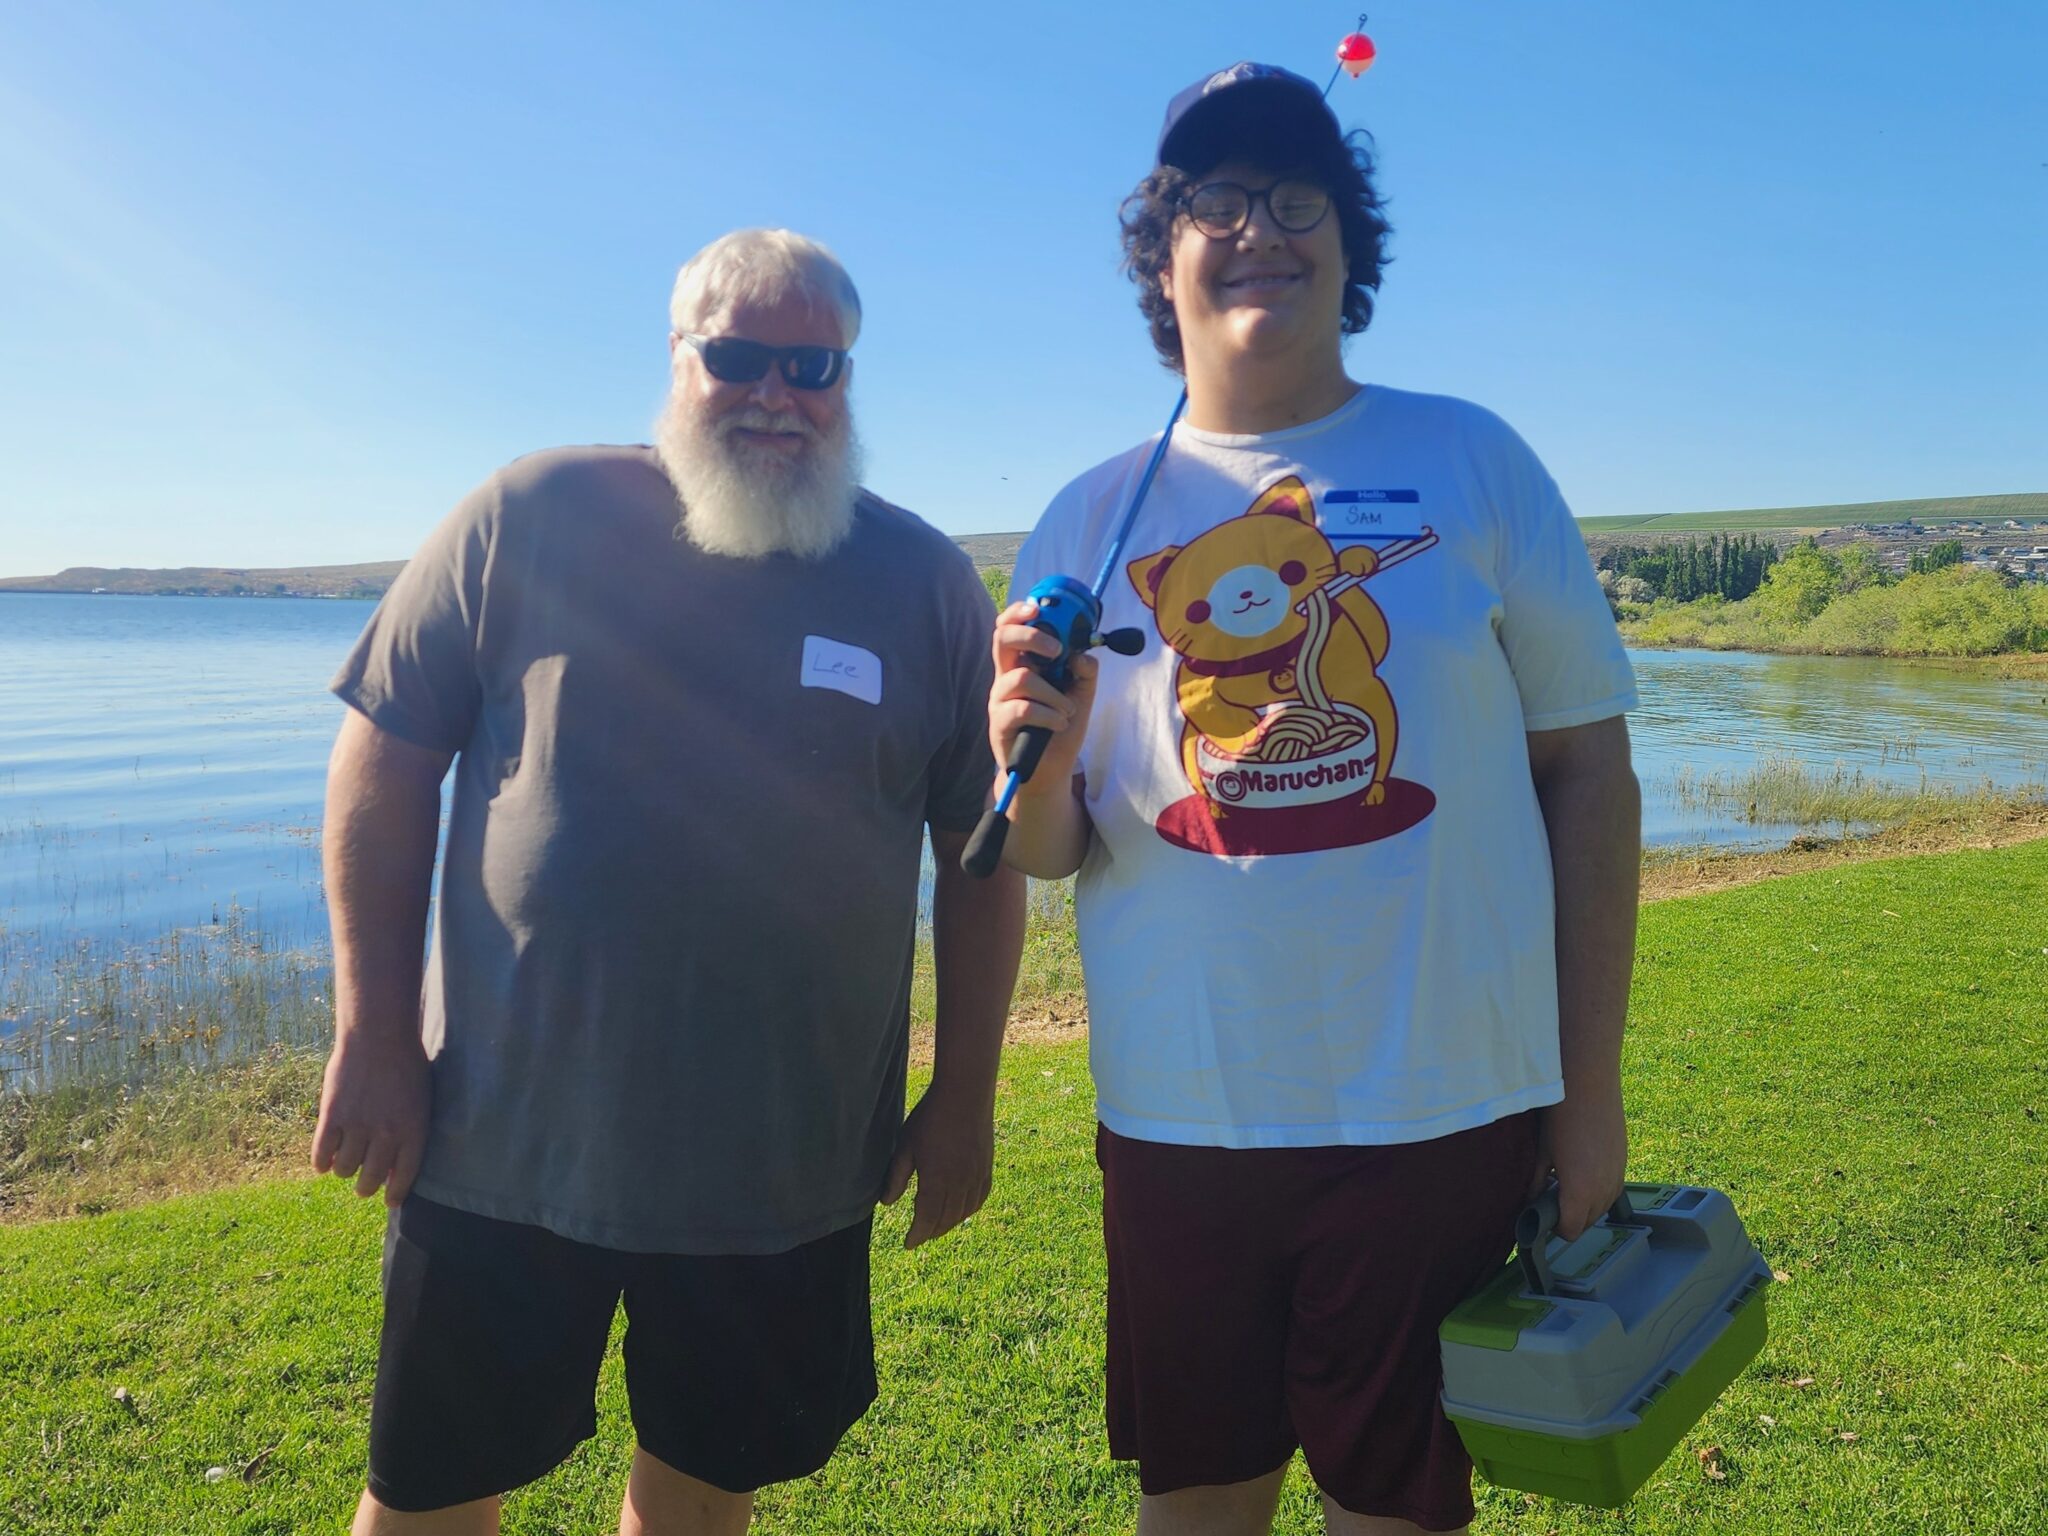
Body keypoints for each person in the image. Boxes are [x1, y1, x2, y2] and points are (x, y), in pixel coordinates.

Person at [988, 65, 1641, 1536]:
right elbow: (1047, 848)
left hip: (1446, 1106)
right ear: (1162, 258)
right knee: (1199, 1505)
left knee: (1400, 1509)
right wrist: (1034, 736)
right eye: (1213, 203)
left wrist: (1584, 1096)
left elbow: (1587, 774)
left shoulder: (1471, 458)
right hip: (1182, 1116)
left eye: (1298, 201)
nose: (1258, 230)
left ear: (1353, 247)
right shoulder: (1092, 518)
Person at [314, 227, 1025, 1536]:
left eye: (812, 363)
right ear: (679, 358)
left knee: (702, 1488)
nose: (777, 393)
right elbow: (382, 764)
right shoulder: (532, 516)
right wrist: (370, 1036)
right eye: (740, 356)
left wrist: (966, 1096)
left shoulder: (924, 584)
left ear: (849, 377)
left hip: (782, 1167)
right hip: (506, 1148)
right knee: (431, 1493)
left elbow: (983, 861)